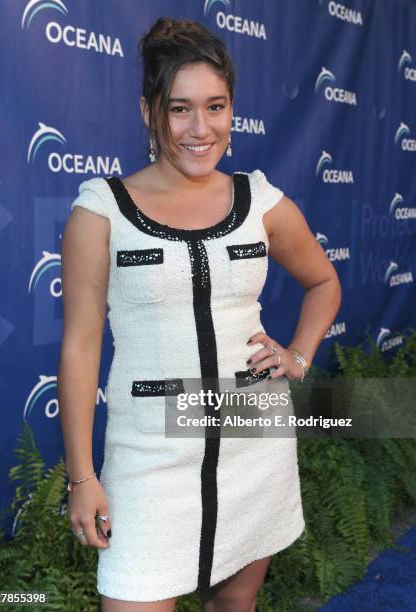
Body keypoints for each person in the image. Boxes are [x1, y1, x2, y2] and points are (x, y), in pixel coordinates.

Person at [58, 16, 341, 612]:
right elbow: (80, 347)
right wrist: (83, 478)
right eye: (179, 108)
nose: (199, 128)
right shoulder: (100, 213)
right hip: (149, 455)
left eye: (215, 107)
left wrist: (297, 356)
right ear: (148, 111)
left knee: (234, 605)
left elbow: (323, 281)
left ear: (233, 111)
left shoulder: (260, 200)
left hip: (252, 442)